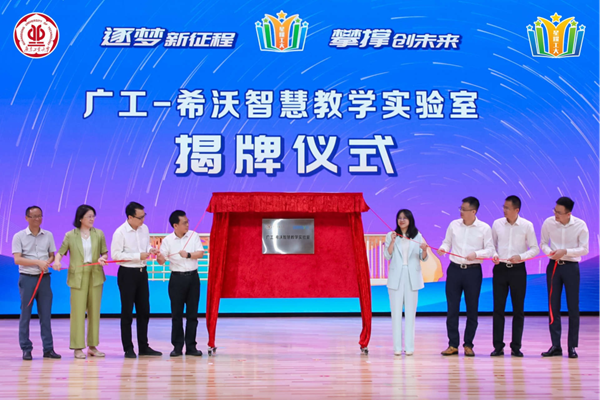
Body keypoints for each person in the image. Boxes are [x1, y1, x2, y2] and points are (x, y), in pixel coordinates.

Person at [437, 196, 494, 357]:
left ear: (473, 211)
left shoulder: (484, 228)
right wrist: (443, 248)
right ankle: (452, 344)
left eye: (464, 209)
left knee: (472, 309)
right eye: (460, 209)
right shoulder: (454, 225)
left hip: (473, 272)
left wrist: (476, 254)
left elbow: (490, 250)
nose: (461, 212)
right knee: (452, 308)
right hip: (454, 270)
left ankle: (468, 344)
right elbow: (447, 242)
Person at [54, 205, 108, 359]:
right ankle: (77, 347)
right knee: (77, 313)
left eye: (93, 216)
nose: (92, 219)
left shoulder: (99, 234)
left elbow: (104, 253)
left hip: (95, 275)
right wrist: (57, 262)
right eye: (89, 216)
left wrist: (102, 259)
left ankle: (92, 346)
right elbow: (60, 253)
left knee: (94, 312)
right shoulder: (70, 235)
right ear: (80, 218)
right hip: (77, 276)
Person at [111, 202, 162, 358]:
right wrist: (137, 256)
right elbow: (116, 256)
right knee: (127, 312)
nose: (142, 220)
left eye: (144, 216)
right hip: (127, 274)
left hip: (142, 272)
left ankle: (144, 346)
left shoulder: (144, 229)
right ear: (130, 217)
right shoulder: (120, 232)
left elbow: (144, 247)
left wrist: (150, 250)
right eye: (139, 218)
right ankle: (128, 348)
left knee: (144, 311)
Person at [490, 195, 539, 357]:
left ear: (516, 210)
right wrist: (494, 255)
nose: (504, 210)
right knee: (498, 309)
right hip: (500, 269)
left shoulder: (527, 225)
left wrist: (521, 257)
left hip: (518, 270)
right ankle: (498, 346)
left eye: (507, 208)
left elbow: (535, 249)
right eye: (503, 207)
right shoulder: (497, 224)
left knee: (518, 310)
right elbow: (491, 245)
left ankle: (516, 347)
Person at [540, 197, 589, 359]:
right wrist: (550, 253)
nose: (556, 215)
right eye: (555, 211)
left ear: (568, 214)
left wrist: (565, 251)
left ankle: (572, 346)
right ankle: (555, 345)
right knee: (553, 306)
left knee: (573, 307)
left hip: (571, 267)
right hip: (554, 266)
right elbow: (543, 243)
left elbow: (584, 249)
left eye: (559, 213)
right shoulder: (548, 223)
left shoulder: (580, 225)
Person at [12, 206, 61, 360]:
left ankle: (48, 349)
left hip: (44, 279)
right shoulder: (19, 236)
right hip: (27, 278)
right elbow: (17, 259)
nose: (37, 219)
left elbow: (52, 255)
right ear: (26, 218)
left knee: (46, 315)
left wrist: (48, 262)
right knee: (25, 314)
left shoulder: (48, 235)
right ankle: (26, 349)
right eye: (33, 216)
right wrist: (37, 262)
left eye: (39, 216)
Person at [157, 210, 205, 357]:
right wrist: (159, 257)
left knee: (192, 314)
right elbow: (161, 261)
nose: (187, 225)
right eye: (184, 223)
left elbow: (201, 253)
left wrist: (188, 255)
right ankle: (177, 347)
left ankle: (191, 346)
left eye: (187, 221)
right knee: (176, 314)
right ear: (175, 225)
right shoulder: (167, 241)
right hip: (177, 279)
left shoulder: (193, 235)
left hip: (193, 278)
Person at [383, 209, 428, 356]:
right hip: (396, 276)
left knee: (410, 314)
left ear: (410, 220)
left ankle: (409, 348)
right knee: (396, 314)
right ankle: (397, 348)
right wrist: (392, 242)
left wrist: (424, 250)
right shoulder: (391, 235)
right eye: (399, 218)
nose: (401, 220)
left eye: (404, 218)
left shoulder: (417, 236)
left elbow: (423, 257)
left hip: (412, 276)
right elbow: (387, 256)